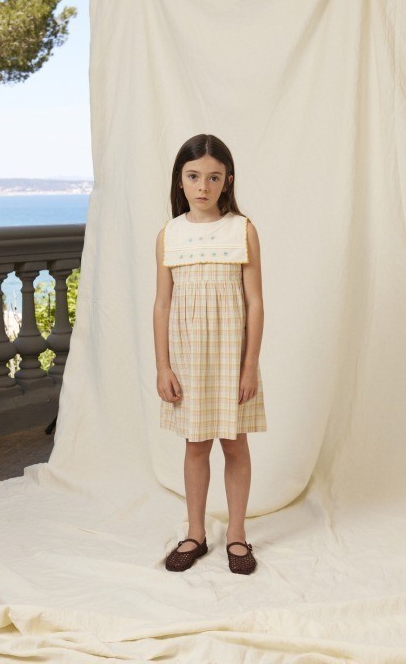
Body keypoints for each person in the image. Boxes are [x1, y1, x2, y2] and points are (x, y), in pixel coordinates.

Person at [153, 133, 267, 575]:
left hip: (233, 358)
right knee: (196, 445)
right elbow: (162, 304)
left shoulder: (243, 230)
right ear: (180, 180)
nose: (203, 186)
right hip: (189, 360)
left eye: (214, 177)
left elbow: (254, 302)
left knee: (235, 445)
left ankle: (236, 534)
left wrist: (249, 366)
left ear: (228, 180)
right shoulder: (169, 235)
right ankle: (195, 533)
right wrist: (163, 366)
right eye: (194, 176)